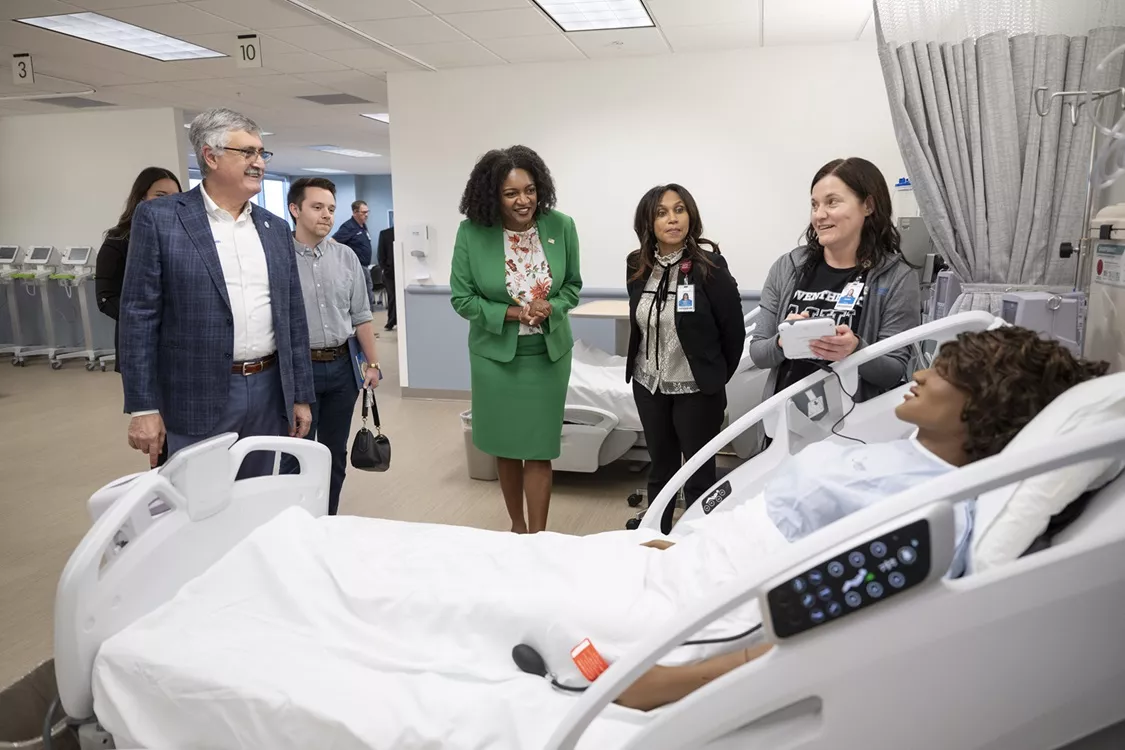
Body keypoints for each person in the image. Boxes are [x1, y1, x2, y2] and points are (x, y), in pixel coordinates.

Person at [617, 327, 1107, 711]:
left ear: (982, 406)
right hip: (701, 559)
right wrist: (685, 550)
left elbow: (832, 632)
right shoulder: (910, 457)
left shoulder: (936, 517)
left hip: (718, 600)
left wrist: (668, 684)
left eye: (941, 372)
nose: (918, 376)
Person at [118, 108, 314, 473]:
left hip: (270, 391)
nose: (259, 163)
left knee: (260, 499)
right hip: (197, 393)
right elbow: (137, 317)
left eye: (261, 153)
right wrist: (144, 407)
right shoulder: (162, 219)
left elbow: (293, 319)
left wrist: (300, 396)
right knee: (199, 507)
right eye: (248, 153)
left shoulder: (273, 228)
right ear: (211, 156)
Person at [449, 145, 582, 534]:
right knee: (506, 447)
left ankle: (538, 536)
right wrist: (513, 312)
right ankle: (517, 527)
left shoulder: (561, 226)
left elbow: (572, 286)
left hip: (548, 355)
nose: (523, 200)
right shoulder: (472, 233)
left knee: (539, 449)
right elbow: (462, 298)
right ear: (493, 195)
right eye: (511, 193)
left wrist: (549, 306)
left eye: (529, 190)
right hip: (495, 358)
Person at [749, 157, 921, 404]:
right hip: (784, 421)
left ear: (868, 205)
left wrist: (855, 350)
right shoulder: (788, 268)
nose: (819, 215)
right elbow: (758, 353)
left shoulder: (897, 279)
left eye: (832, 202)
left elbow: (893, 372)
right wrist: (780, 342)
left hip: (854, 429)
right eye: (814, 205)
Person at [625, 185, 745, 520]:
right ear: (649, 222)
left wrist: (713, 377)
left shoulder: (711, 267)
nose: (672, 219)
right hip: (648, 386)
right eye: (661, 213)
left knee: (698, 477)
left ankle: (697, 544)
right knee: (660, 472)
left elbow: (733, 333)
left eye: (679, 210)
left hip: (696, 391)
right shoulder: (637, 265)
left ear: (691, 215)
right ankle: (655, 539)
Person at [284, 177, 382, 515]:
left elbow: (362, 316)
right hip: (300, 369)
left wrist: (372, 363)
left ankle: (326, 521)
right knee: (296, 454)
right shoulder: (279, 259)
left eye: (330, 209)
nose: (326, 215)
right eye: (317, 207)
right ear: (295, 209)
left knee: (332, 454)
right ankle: (296, 525)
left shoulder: (346, 257)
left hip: (342, 369)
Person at [95, 166, 181, 466]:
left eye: (175, 196)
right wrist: (148, 319)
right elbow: (106, 298)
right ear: (141, 198)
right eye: (161, 195)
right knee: (159, 430)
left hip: (183, 346)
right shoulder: (119, 240)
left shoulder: (182, 238)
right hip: (146, 345)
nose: (169, 201)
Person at [333, 199, 375, 306]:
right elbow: (333, 243)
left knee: (368, 292)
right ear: (355, 212)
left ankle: (368, 317)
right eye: (363, 212)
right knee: (361, 295)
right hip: (356, 267)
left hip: (365, 266)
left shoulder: (362, 226)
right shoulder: (349, 226)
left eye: (367, 212)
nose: (366, 215)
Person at [376, 224, 396, 330]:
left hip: (401, 270)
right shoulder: (385, 234)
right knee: (392, 296)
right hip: (389, 273)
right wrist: (385, 268)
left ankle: (397, 319)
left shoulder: (402, 233)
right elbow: (380, 254)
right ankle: (391, 321)